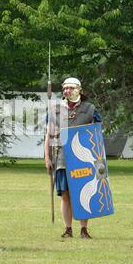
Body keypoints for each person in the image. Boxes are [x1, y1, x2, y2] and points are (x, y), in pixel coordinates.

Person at [44, 77, 102, 239]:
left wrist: (98, 157)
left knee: (82, 190)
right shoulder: (55, 109)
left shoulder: (90, 109)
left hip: (83, 158)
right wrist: (47, 157)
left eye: (70, 88)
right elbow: (48, 134)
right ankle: (68, 229)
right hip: (62, 157)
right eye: (65, 88)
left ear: (79, 90)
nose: (67, 91)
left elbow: (96, 134)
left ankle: (84, 229)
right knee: (65, 194)